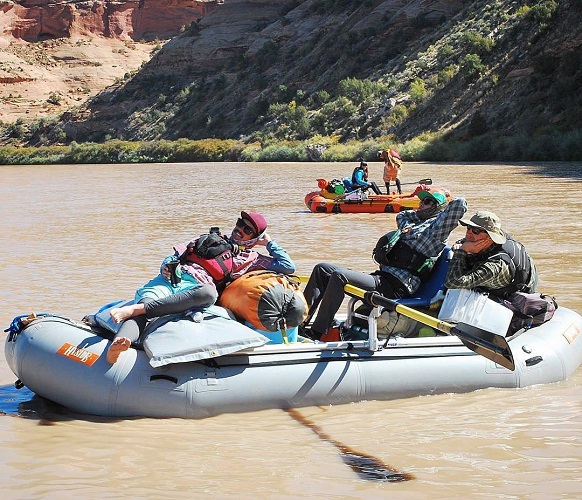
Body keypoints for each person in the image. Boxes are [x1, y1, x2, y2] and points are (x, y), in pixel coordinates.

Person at [106, 211, 295, 363]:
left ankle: (137, 310)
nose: (240, 229)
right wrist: (167, 265)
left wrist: (269, 242)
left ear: (254, 238)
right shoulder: (210, 238)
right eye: (240, 223)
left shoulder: (251, 259)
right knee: (146, 302)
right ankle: (120, 343)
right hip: (171, 280)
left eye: (248, 230)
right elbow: (177, 254)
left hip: (196, 290)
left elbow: (288, 266)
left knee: (209, 293)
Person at [302, 189, 467, 340]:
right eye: (422, 201)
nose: (421, 204)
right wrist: (422, 213)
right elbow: (401, 216)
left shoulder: (436, 232)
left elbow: (460, 204)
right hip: (381, 279)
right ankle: (301, 323)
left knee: (340, 277)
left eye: (427, 202)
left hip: (397, 286)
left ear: (437, 208)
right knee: (322, 269)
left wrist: (441, 204)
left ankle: (318, 332)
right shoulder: (410, 225)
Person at [444, 210, 538, 299]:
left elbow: (452, 283)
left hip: (510, 292)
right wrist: (463, 247)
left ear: (490, 237)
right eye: (468, 227)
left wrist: (462, 250)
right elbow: (462, 241)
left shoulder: (494, 267)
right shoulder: (489, 237)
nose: (468, 232)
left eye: (476, 231)